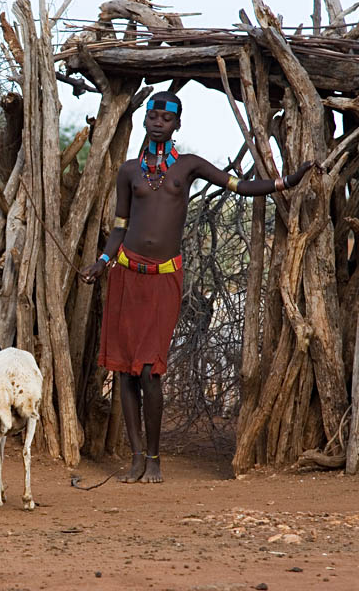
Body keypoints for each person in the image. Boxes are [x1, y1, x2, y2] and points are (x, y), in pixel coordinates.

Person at [80, 90, 315, 483]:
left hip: (163, 278)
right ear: (145, 120)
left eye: (166, 117)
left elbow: (239, 186)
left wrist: (285, 181)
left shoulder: (187, 166)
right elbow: (119, 226)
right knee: (123, 372)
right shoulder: (130, 170)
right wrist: (102, 263)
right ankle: (136, 457)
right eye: (153, 115)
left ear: (177, 124)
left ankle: (154, 457)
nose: (158, 121)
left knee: (150, 369)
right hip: (125, 273)